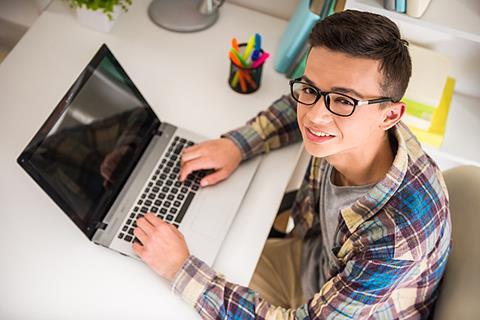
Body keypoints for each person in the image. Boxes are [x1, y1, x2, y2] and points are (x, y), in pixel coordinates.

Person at [132, 10, 451, 319]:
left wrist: (179, 268)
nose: (314, 115)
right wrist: (236, 145)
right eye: (311, 89)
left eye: (343, 101)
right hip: (310, 261)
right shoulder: (364, 126)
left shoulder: (397, 233)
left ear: (390, 115)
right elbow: (297, 102)